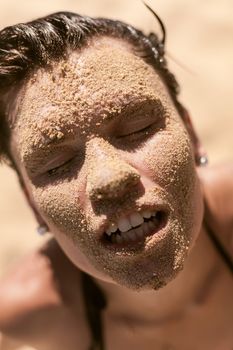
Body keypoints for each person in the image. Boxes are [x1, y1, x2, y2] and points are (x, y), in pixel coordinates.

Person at [0, 7, 232, 350]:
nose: (109, 178)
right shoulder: (27, 314)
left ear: (192, 134)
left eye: (139, 128)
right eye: (55, 165)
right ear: (32, 203)